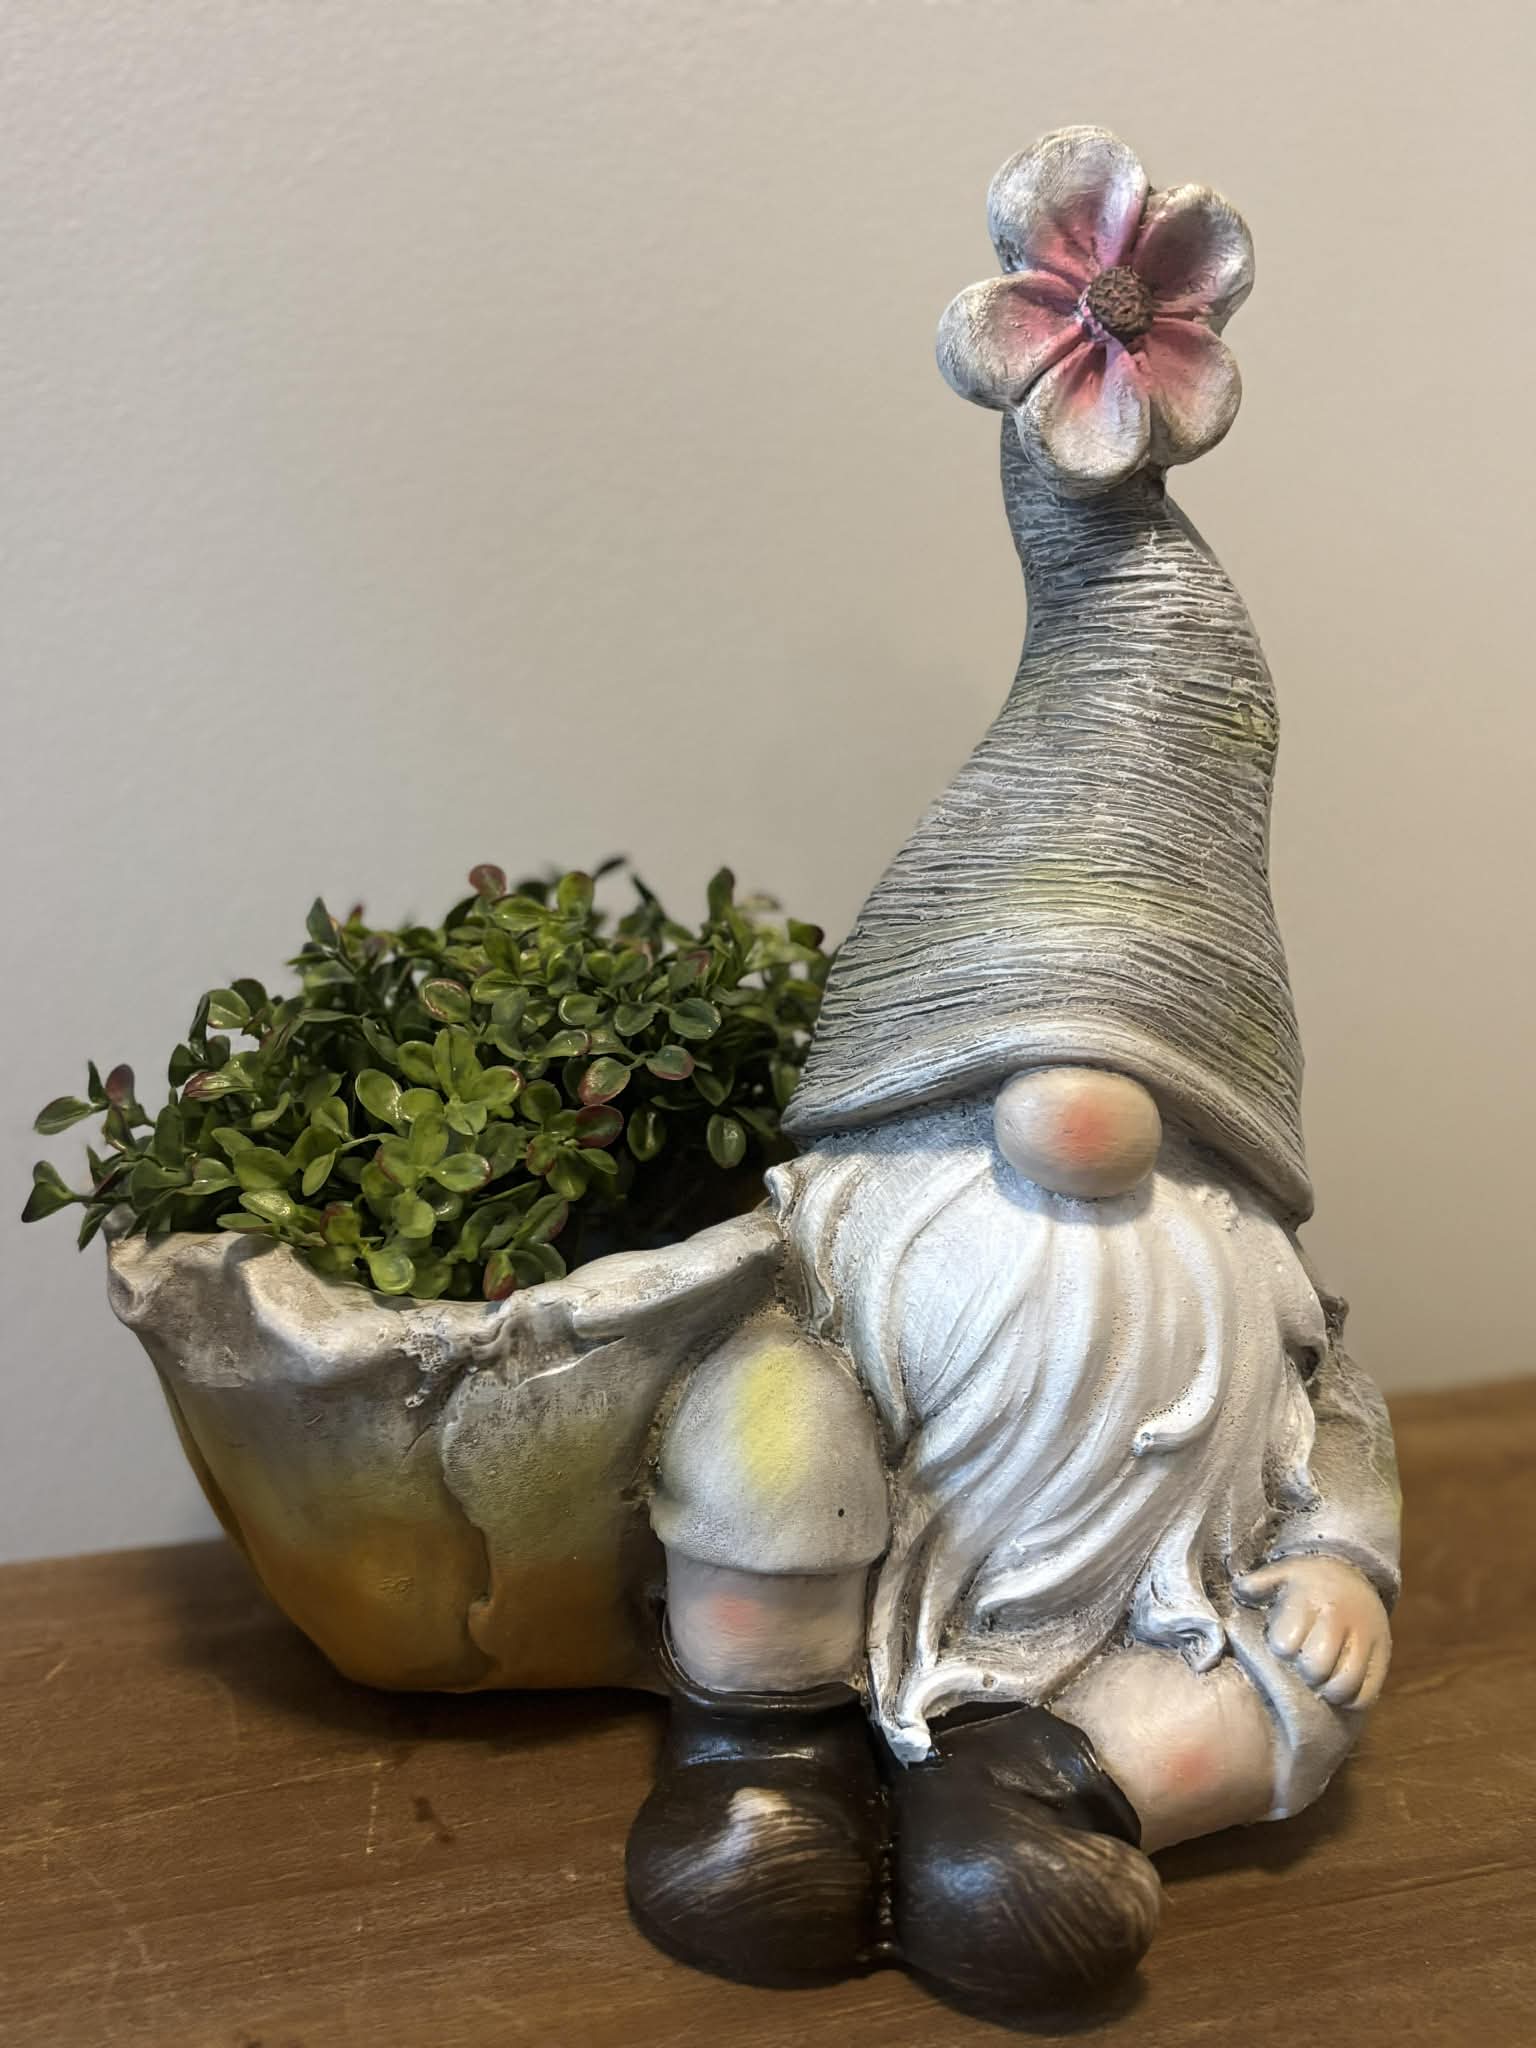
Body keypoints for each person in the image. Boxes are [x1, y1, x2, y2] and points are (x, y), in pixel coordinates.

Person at [624, 126, 1400, 2012]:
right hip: (864, 1593)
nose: (1082, 1115)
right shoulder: (842, 1233)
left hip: (1144, 1619)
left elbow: (1339, 1431)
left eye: (1144, 1065)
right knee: (771, 1437)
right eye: (1017, 1053)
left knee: (1283, 1708)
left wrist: (1345, 1563)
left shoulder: (1262, 1281)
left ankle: (1058, 1785)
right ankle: (763, 1752)